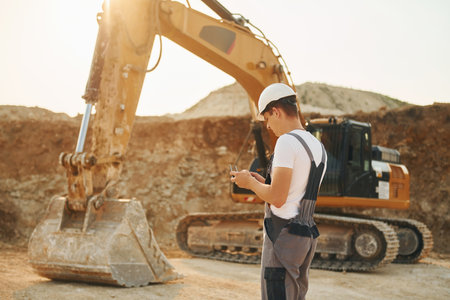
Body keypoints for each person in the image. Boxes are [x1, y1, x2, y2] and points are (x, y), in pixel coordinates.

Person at [230, 83, 327, 300]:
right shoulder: (317, 146)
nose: (268, 127)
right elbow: (295, 190)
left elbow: (278, 198)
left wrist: (249, 183)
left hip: (283, 236)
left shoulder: (286, 142)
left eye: (267, 119)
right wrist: (263, 181)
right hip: (306, 237)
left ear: (276, 111)